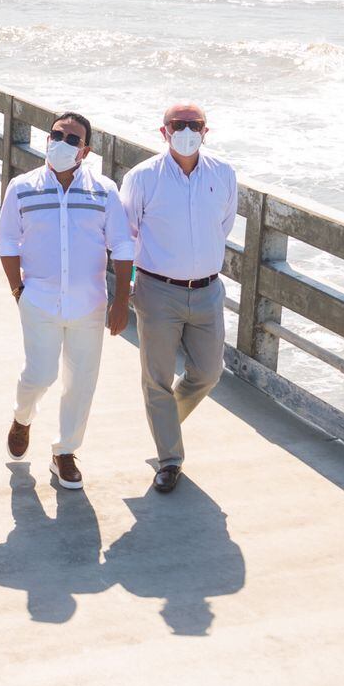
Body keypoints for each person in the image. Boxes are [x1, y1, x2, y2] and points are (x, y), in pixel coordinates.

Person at [0, 111, 133, 490]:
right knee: (40, 374)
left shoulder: (104, 190)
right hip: (38, 299)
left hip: (89, 303)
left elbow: (122, 245)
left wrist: (122, 301)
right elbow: (7, 241)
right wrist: (16, 290)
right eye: (57, 134)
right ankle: (23, 417)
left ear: (85, 150)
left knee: (81, 382)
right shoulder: (22, 187)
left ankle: (65, 452)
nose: (62, 142)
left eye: (73, 139)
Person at [121, 102, 237, 493]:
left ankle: (163, 423)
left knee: (209, 372)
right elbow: (126, 233)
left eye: (194, 125)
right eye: (178, 125)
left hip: (207, 291)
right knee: (157, 379)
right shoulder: (142, 178)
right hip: (157, 291)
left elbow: (223, 225)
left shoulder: (223, 173)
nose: (186, 131)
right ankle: (169, 460)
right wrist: (128, 289)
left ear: (206, 131)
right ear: (163, 131)